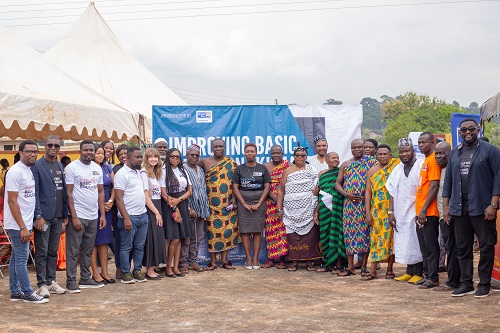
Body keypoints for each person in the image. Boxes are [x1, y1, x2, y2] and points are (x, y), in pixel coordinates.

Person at [443, 118, 500, 298]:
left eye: (472, 129)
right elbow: (448, 182)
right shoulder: (454, 153)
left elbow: (498, 177)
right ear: (459, 133)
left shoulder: (490, 151)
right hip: (459, 208)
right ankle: (466, 283)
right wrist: (446, 207)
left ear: (478, 130)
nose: (468, 132)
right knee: (463, 248)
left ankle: (484, 284)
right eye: (464, 130)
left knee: (486, 246)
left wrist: (493, 204)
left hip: (482, 207)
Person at [5, 140, 48, 303]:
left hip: (25, 222)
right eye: (29, 151)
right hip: (18, 224)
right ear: (21, 153)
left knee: (16, 257)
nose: (33, 154)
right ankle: (27, 292)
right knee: (22, 259)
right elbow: (12, 201)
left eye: (35, 151)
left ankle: (16, 291)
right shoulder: (16, 172)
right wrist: (22, 226)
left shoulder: (28, 170)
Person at [65, 140, 107, 292]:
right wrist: (74, 217)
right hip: (78, 216)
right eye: (86, 150)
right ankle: (70, 281)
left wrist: (102, 214)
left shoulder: (97, 168)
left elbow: (100, 192)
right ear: (80, 151)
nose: (89, 152)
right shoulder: (72, 168)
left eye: (91, 150)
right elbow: (68, 193)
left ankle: (84, 278)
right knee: (73, 251)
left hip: (93, 216)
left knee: (87, 250)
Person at [31, 135, 68, 297]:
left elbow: (62, 191)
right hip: (43, 217)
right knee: (42, 251)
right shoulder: (38, 166)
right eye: (50, 145)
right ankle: (42, 284)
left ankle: (51, 280)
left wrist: (65, 213)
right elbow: (35, 193)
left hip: (58, 216)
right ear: (44, 146)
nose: (53, 148)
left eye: (57, 146)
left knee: (53, 250)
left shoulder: (59, 164)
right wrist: (38, 215)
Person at [115, 146, 158, 284]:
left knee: (139, 246)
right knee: (126, 246)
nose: (140, 159)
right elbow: (118, 198)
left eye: (141, 157)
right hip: (129, 217)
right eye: (137, 157)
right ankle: (126, 273)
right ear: (127, 158)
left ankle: (137, 271)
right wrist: (126, 218)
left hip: (142, 215)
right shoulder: (122, 174)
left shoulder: (139, 172)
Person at [335, 139, 376, 276]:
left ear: (364, 148)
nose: (357, 149)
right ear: (351, 148)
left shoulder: (371, 162)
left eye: (360, 147)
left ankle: (364, 267)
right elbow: (337, 184)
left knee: (364, 235)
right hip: (350, 206)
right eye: (354, 147)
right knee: (350, 235)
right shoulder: (346, 165)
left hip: (365, 205)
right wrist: (346, 194)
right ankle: (351, 267)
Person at [277, 146, 321, 271]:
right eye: (298, 155)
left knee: (309, 236)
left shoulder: (312, 170)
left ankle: (308, 262)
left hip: (308, 208)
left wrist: (315, 192)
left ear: (306, 157)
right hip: (290, 210)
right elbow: (281, 190)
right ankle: (294, 262)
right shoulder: (288, 171)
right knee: (293, 236)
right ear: (294, 157)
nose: (300, 157)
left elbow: (317, 187)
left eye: (303, 155)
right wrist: (279, 208)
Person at [386, 138, 424, 284]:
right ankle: (409, 272)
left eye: (407, 151)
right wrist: (391, 212)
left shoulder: (420, 166)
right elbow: (391, 191)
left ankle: (419, 273)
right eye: (401, 152)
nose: (404, 154)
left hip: (416, 210)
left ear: (413, 151)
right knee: (406, 241)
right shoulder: (398, 169)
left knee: (416, 241)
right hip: (401, 211)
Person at [199, 139, 239, 270]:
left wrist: (235, 199)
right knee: (212, 233)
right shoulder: (204, 162)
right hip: (211, 205)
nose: (218, 148)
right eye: (215, 146)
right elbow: (192, 172)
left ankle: (224, 261)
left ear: (225, 147)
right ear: (211, 148)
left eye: (220, 146)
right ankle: (213, 262)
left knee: (227, 232)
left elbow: (236, 183)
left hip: (227, 205)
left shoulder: (232, 163)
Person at [233, 143, 271, 269]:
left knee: (257, 231)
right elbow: (235, 187)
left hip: (259, 204)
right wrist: (243, 203)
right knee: (244, 231)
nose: (250, 153)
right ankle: (248, 258)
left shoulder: (262, 168)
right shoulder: (239, 169)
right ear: (244, 153)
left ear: (256, 153)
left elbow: (267, 186)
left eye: (252, 151)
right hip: (243, 204)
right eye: (248, 151)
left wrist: (259, 203)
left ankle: (255, 258)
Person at [363, 144, 399, 280]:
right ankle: (373, 271)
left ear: (390, 155)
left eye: (385, 154)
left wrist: (392, 211)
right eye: (380, 154)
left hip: (392, 209)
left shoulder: (395, 168)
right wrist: (367, 212)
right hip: (376, 210)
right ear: (376, 156)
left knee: (391, 239)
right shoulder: (372, 171)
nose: (383, 156)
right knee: (375, 239)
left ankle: (390, 270)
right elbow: (368, 192)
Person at [414, 132, 441, 289]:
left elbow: (434, 186)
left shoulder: (433, 160)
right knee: (423, 246)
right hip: (420, 211)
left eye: (424, 142)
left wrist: (424, 210)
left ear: (432, 142)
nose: (421, 145)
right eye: (419, 143)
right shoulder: (425, 160)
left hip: (429, 212)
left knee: (431, 246)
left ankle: (434, 277)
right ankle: (427, 275)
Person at [433, 141, 461, 292]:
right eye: (436, 153)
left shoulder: (453, 169)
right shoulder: (440, 170)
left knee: (454, 248)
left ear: (449, 153)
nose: (438, 156)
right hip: (442, 216)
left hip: (452, 215)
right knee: (452, 248)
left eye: (442, 153)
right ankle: (456, 279)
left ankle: (453, 281)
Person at [314, 151, 346, 274]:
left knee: (337, 235)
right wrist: (316, 211)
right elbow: (319, 194)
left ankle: (338, 265)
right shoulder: (322, 174)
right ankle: (328, 263)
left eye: (337, 158)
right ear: (326, 160)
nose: (336, 160)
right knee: (325, 235)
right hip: (324, 209)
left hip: (337, 207)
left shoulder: (341, 172)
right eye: (333, 158)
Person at [161, 148, 192, 278]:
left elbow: (190, 190)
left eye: (178, 157)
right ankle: (168, 268)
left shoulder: (182, 170)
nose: (175, 159)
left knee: (180, 238)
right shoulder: (163, 171)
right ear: (168, 157)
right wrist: (174, 205)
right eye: (172, 156)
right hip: (169, 204)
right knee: (174, 238)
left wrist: (179, 200)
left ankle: (176, 267)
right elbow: (163, 193)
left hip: (182, 202)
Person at [181, 144, 210, 272]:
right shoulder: (182, 169)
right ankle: (183, 263)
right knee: (187, 237)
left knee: (197, 237)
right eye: (192, 155)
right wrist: (188, 208)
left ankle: (193, 261)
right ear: (186, 155)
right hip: (189, 209)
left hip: (201, 209)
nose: (194, 157)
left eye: (197, 155)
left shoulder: (200, 169)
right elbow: (181, 190)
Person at [90, 145, 115, 284]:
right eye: (97, 153)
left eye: (102, 153)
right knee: (93, 241)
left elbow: (115, 186)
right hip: (92, 207)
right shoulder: (89, 168)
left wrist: (111, 201)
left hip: (106, 208)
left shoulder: (107, 168)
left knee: (104, 240)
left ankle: (105, 272)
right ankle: (95, 272)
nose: (100, 155)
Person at [141, 148, 167, 279]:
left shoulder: (157, 173)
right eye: (150, 157)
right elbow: (146, 197)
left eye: (155, 157)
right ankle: (149, 270)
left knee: (157, 238)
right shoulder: (144, 173)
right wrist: (157, 213)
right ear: (146, 158)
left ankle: (153, 267)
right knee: (151, 238)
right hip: (150, 208)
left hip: (157, 206)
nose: (153, 159)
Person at [263, 145, 290, 269]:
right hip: (269, 203)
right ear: (270, 154)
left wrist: (280, 196)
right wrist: (271, 194)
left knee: (282, 231)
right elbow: (263, 184)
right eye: (273, 153)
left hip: (284, 202)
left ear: (282, 153)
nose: (275, 155)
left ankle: (283, 260)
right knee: (270, 231)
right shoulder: (266, 167)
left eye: (278, 153)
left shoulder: (287, 166)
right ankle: (271, 259)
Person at [111, 143, 128, 279]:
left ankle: (128, 267)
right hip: (119, 210)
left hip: (135, 209)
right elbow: (116, 191)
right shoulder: (116, 169)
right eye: (120, 155)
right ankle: (119, 267)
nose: (123, 156)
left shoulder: (137, 169)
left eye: (125, 153)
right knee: (120, 240)